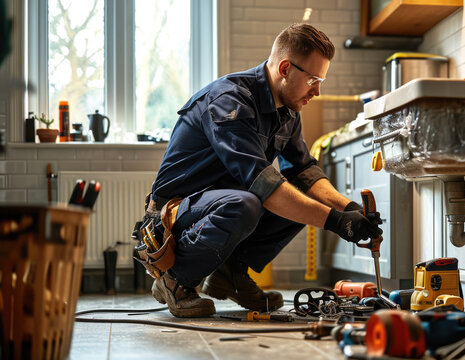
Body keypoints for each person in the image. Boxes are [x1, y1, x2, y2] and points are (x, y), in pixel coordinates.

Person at [134, 23, 382, 318]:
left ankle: (231, 274)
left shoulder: (288, 112)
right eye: (314, 79)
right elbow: (262, 184)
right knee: (247, 203)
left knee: (295, 194)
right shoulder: (230, 102)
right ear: (286, 68)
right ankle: (175, 279)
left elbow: (305, 173)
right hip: (174, 217)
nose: (317, 90)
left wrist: (349, 209)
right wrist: (337, 222)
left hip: (218, 205)